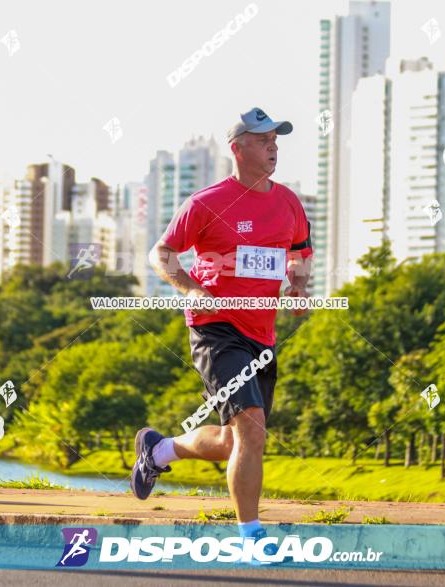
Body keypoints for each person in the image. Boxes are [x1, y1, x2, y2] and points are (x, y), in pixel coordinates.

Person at [131, 107, 312, 553]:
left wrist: (299, 284)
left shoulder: (288, 200)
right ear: (238, 148)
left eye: (276, 139)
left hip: (261, 333)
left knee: (235, 439)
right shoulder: (208, 202)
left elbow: (301, 249)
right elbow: (162, 253)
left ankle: (158, 450)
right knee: (252, 431)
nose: (273, 146)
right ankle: (251, 537)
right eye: (263, 139)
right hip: (217, 328)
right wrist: (191, 288)